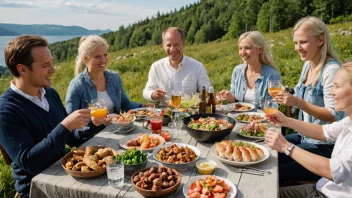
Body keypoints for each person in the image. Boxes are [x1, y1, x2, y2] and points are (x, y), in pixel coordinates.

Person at [0, 35, 104, 198]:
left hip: (67, 175)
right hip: (38, 188)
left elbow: (70, 139)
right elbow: (30, 163)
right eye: (45, 65)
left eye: (51, 63)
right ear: (22, 69)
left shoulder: (49, 93)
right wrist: (64, 126)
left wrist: (91, 124)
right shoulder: (6, 110)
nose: (53, 70)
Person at [273, 16, 346, 183]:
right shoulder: (308, 65)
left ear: (320, 40)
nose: (298, 48)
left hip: (324, 146)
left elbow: (335, 115)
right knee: (268, 149)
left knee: (275, 169)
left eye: (303, 42)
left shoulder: (331, 70)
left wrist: (298, 103)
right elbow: (302, 96)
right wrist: (286, 94)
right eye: (295, 43)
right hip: (304, 136)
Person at [265, 61, 352, 198]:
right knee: (266, 192)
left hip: (329, 194)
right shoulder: (348, 121)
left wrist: (287, 147)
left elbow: (333, 171)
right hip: (322, 187)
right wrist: (287, 121)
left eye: (337, 86)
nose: (331, 91)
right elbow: (323, 131)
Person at [66, 35, 152, 116]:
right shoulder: (77, 86)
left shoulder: (114, 77)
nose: (103, 60)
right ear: (85, 59)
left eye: (105, 55)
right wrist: (94, 124)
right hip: (94, 132)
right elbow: (72, 125)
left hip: (118, 128)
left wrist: (143, 106)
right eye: (97, 57)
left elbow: (125, 104)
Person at [143, 27, 211, 105]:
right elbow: (146, 91)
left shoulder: (197, 67)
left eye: (176, 45)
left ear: (183, 44)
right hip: (165, 114)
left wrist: (200, 98)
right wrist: (153, 94)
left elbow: (207, 92)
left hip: (190, 113)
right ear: (163, 46)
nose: (172, 49)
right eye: (168, 45)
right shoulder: (156, 67)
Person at [218, 31, 281, 108]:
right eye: (240, 48)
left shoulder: (272, 75)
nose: (242, 53)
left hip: (263, 118)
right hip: (237, 117)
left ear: (260, 50)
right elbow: (234, 99)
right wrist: (230, 97)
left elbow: (272, 106)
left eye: (247, 48)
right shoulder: (237, 71)